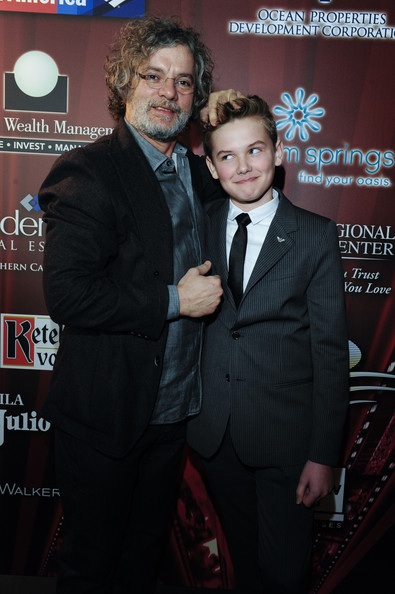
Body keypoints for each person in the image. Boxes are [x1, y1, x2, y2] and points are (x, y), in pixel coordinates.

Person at [38, 15, 241, 594]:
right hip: (106, 416)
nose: (168, 92)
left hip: (174, 415)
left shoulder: (198, 175)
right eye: (153, 76)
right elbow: (68, 295)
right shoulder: (90, 172)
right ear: (125, 82)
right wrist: (176, 300)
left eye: (182, 82)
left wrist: (224, 118)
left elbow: (251, 174)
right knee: (90, 566)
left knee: (142, 562)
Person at [187, 95, 350, 594]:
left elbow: (329, 351)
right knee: (244, 561)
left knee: (284, 571)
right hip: (216, 435)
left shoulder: (315, 235)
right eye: (227, 157)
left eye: (255, 150)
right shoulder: (199, 224)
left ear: (279, 153)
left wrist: (324, 455)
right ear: (211, 168)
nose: (243, 167)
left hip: (286, 441)